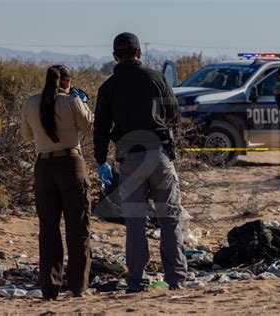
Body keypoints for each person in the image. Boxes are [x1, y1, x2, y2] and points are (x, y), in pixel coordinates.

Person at [94, 32, 187, 293]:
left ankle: (136, 280)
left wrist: (101, 160)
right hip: (159, 154)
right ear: (139, 53)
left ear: (115, 56)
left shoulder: (109, 87)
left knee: (135, 221)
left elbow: (100, 128)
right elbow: (174, 114)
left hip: (130, 158)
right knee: (169, 218)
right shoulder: (156, 78)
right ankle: (176, 278)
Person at [21, 65, 94, 299]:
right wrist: (82, 104)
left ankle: (50, 287)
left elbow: (26, 135)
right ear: (68, 82)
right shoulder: (71, 102)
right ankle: (78, 286)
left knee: (49, 228)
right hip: (71, 164)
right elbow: (92, 129)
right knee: (78, 226)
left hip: (43, 166)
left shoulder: (31, 103)